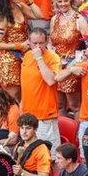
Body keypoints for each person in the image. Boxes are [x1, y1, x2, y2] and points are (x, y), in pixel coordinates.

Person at [0, 0, 42, 101]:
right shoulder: (4, 16)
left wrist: (28, 0)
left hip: (24, 57)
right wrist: (19, 46)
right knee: (15, 98)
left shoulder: (20, 6)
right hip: (9, 61)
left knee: (27, 95)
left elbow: (39, 15)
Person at [49, 0, 88, 116]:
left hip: (72, 65)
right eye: (60, 1)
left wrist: (80, 60)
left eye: (66, 1)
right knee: (59, 104)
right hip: (56, 65)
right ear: (56, 3)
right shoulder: (54, 19)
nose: (63, 4)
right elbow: (51, 41)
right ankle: (62, 134)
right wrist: (51, 50)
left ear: (71, 1)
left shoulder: (79, 19)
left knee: (74, 106)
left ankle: (77, 134)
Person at [20, 27, 61, 157]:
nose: (37, 46)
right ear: (29, 42)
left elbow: (50, 80)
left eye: (41, 43)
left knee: (50, 156)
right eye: (34, 43)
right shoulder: (27, 55)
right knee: (31, 157)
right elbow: (26, 85)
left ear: (46, 41)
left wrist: (39, 59)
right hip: (28, 116)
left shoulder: (53, 57)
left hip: (45, 117)